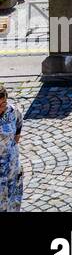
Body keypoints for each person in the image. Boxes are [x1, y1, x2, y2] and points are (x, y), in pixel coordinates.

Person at [0, 84, 22, 212]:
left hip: (12, 166)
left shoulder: (13, 111)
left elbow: (18, 125)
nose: (1, 107)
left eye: (3, 103)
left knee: (13, 202)